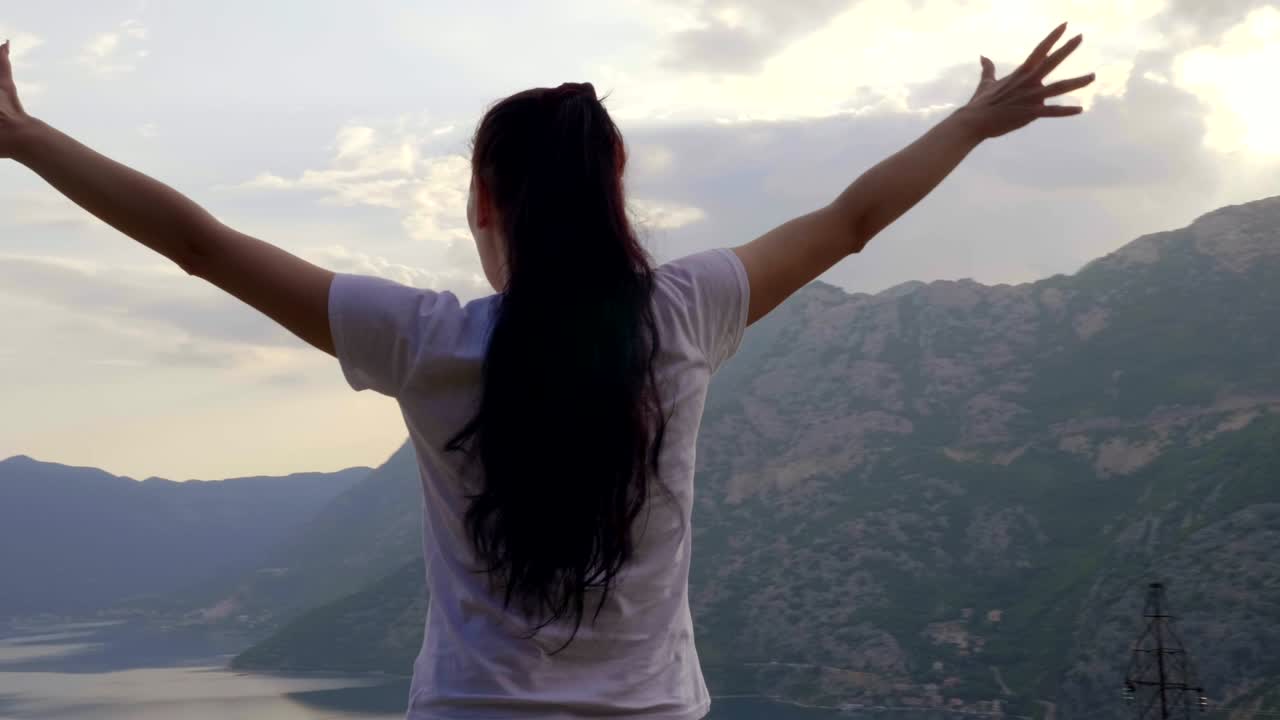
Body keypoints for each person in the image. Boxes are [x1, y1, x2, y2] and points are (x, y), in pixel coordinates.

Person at [0, 22, 1092, 720]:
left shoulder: (423, 340)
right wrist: (970, 121)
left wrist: (23, 135)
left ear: (483, 204)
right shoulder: (687, 309)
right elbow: (851, 221)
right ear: (614, 193)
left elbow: (197, 240)